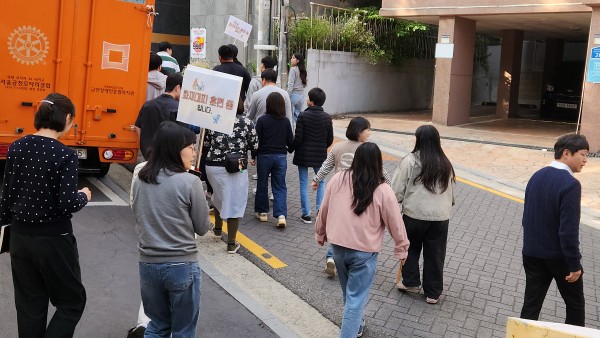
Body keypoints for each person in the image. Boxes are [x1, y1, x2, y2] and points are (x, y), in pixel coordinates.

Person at [0, 93, 91, 338]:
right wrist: (84, 195)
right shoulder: (65, 155)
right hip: (54, 239)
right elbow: (67, 203)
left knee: (30, 304)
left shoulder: (17, 147)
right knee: (71, 301)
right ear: (68, 118)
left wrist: (6, 231)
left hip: (20, 236)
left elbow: (6, 195)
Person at [315, 142, 409, 338]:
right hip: (364, 252)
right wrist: (402, 249)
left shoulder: (338, 179)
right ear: (377, 163)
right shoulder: (383, 189)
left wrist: (320, 233)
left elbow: (324, 208)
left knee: (349, 294)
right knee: (355, 298)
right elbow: (395, 223)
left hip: (338, 248)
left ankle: (356, 326)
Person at [131, 121, 211, 337]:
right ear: (175, 150)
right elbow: (203, 227)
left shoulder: (141, 179)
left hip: (148, 264)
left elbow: (138, 214)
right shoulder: (190, 182)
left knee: (157, 326)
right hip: (181, 264)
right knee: (183, 330)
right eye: (191, 147)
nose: (194, 153)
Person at [519, 133, 588, 326]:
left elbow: (527, 217)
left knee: (531, 304)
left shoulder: (536, 175)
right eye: (583, 155)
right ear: (567, 153)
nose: (585, 161)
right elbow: (568, 230)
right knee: (575, 306)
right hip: (559, 258)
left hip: (532, 254)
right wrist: (574, 263)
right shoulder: (570, 184)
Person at [312, 117, 391, 278]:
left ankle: (331, 257)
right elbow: (381, 171)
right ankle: (354, 257)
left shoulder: (338, 147)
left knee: (336, 224)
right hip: (362, 194)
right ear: (359, 131)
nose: (369, 133)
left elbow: (327, 165)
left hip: (338, 192)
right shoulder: (366, 149)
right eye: (367, 129)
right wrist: (389, 186)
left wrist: (316, 179)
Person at [391, 125, 455, 305]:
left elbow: (397, 189)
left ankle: (410, 282)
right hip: (440, 217)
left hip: (414, 213)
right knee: (436, 253)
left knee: (410, 247)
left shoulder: (410, 161)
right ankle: (433, 293)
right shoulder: (445, 162)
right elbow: (451, 191)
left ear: (418, 139)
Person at [204, 98, 258, 253]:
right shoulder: (246, 122)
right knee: (236, 200)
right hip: (238, 163)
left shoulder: (213, 119)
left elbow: (206, 144)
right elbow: (254, 144)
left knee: (219, 195)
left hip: (212, 164)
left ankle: (218, 229)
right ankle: (231, 243)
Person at [289, 87, 333, 224]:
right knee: (321, 182)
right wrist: (321, 146)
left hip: (303, 154)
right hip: (320, 155)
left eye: (308, 98)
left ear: (312, 101)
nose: (307, 100)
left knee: (303, 184)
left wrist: (290, 148)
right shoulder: (326, 117)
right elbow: (329, 139)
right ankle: (320, 211)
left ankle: (306, 214)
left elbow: (298, 138)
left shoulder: (303, 116)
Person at [135, 73, 198, 160]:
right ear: (177, 88)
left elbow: (138, 127)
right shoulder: (179, 109)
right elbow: (183, 138)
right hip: (169, 159)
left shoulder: (148, 104)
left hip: (149, 155)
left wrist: (144, 146)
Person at [254, 92, 293, 227]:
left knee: (262, 183)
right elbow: (290, 141)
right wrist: (289, 149)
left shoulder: (262, 120)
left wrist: (253, 155)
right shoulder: (286, 121)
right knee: (280, 186)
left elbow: (256, 141)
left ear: (268, 105)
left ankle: (263, 213)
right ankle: (281, 215)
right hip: (281, 157)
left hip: (264, 155)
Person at [287, 53, 307, 125]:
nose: (291, 59)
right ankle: (298, 133)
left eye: (293, 58)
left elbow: (290, 84)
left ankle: (292, 134)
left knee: (291, 117)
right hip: (301, 96)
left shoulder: (293, 69)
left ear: (297, 60)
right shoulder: (303, 70)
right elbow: (304, 84)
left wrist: (287, 95)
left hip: (293, 95)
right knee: (298, 117)